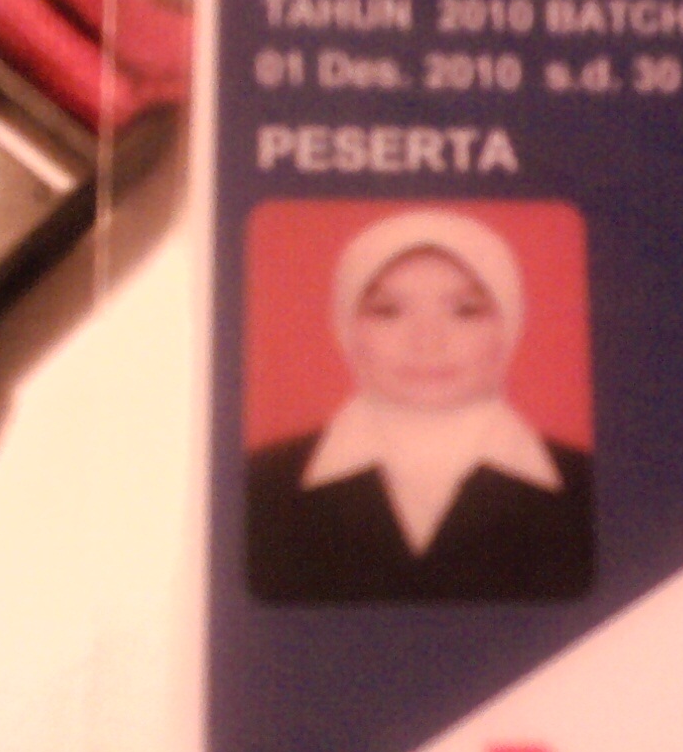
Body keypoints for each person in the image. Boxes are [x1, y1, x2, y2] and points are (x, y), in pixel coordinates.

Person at [246, 209, 593, 602]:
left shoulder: (585, 492)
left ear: (510, 324)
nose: (427, 342)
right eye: (387, 311)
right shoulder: (261, 487)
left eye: (466, 310)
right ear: (346, 327)